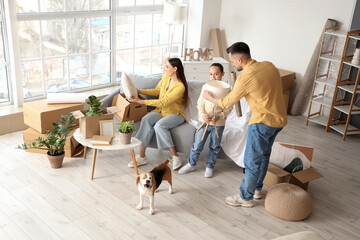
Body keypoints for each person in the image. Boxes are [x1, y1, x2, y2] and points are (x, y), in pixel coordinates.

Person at [203, 42, 287, 207]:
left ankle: (245, 197)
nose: (233, 64)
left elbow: (226, 103)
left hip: (262, 123)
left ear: (240, 59)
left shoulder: (245, 79)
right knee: (264, 156)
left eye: (233, 62)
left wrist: (209, 98)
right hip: (279, 120)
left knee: (252, 161)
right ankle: (256, 189)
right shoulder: (270, 66)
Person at [128, 58, 188, 170]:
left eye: (167, 67)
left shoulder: (180, 86)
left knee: (159, 125)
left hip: (176, 114)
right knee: (146, 119)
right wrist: (139, 91)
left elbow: (163, 101)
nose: (164, 69)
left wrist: (141, 102)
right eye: (165, 66)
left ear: (175, 69)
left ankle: (175, 156)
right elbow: (156, 91)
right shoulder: (166, 77)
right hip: (161, 111)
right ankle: (141, 156)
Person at [178, 63, 232, 178]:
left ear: (222, 74)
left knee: (215, 146)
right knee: (197, 144)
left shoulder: (227, 90)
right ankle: (191, 164)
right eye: (211, 74)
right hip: (204, 122)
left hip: (219, 124)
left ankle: (210, 166)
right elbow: (199, 104)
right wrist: (203, 115)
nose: (213, 77)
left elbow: (229, 108)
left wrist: (220, 116)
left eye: (216, 74)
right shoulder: (206, 87)